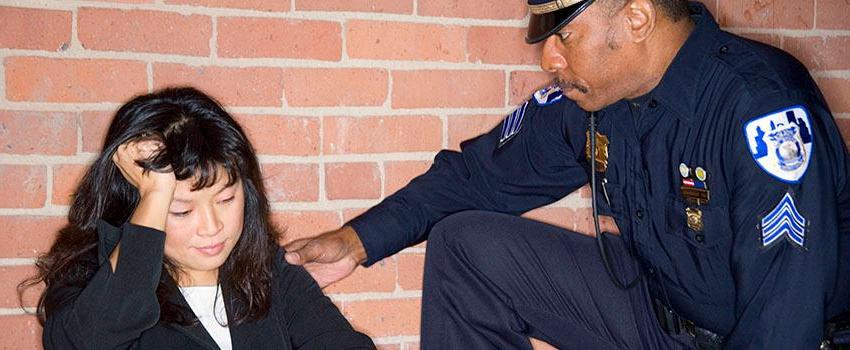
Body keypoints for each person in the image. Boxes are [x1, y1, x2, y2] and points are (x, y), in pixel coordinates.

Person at [283, 0, 850, 348]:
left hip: (773, 334)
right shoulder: (590, 100)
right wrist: (356, 241)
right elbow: (477, 176)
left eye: (565, 36)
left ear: (636, 18)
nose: (549, 59)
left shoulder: (760, 105)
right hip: (662, 316)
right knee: (466, 245)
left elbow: (782, 323)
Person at [19, 87, 376, 349]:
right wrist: (157, 194)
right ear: (137, 206)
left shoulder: (271, 273)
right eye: (181, 210)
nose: (212, 227)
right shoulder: (87, 283)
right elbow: (90, 341)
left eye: (225, 198)